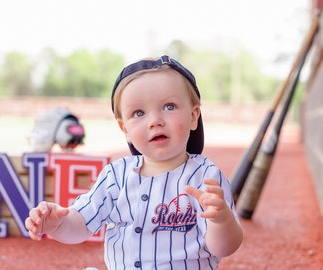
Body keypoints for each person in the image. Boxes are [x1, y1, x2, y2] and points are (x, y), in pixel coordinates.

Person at [25, 55, 243, 269]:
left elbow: (224, 248)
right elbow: (81, 225)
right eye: (139, 113)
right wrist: (57, 224)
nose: (155, 121)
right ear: (125, 129)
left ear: (194, 116)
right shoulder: (115, 176)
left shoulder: (205, 177)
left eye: (169, 106)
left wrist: (221, 221)